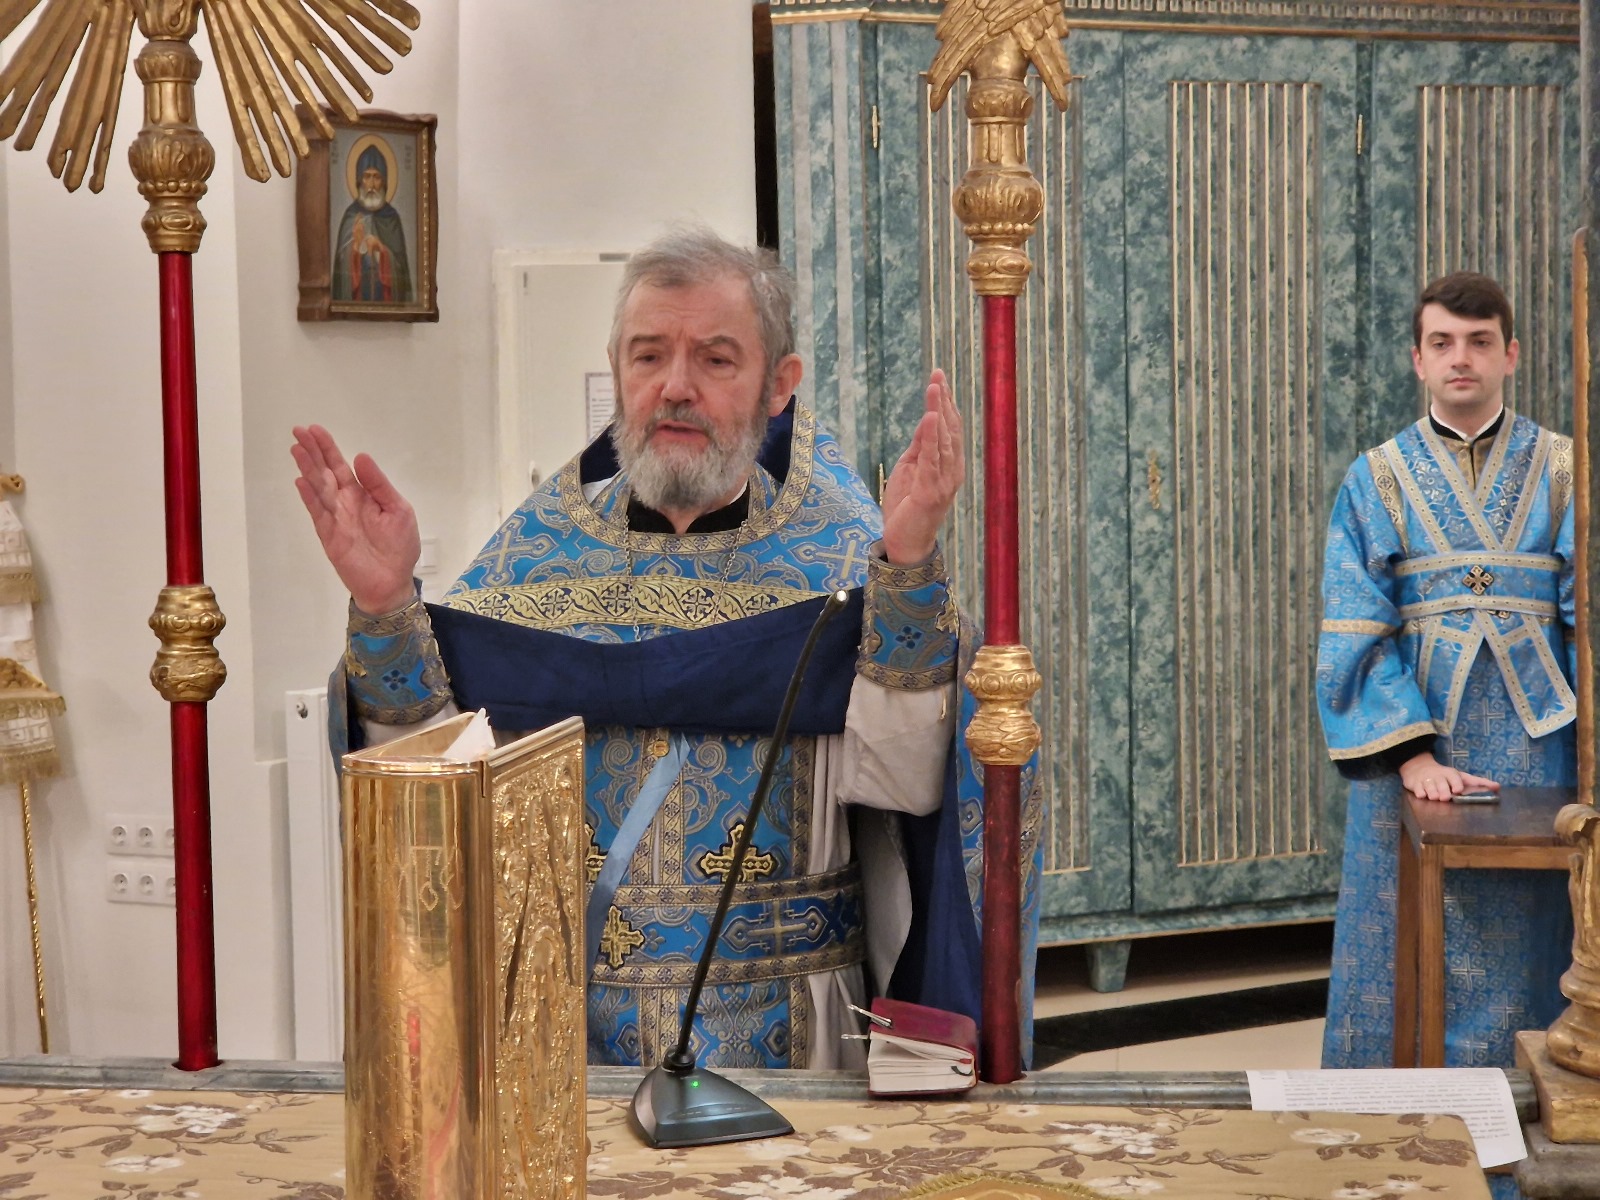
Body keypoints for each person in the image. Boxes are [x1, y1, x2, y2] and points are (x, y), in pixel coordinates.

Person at [293, 227, 1036, 1071]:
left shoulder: (842, 563)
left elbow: (909, 785)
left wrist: (907, 566)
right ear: (618, 372)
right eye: (648, 356)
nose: (675, 387)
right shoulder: (532, 562)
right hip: (569, 1036)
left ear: (779, 385)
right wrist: (386, 604)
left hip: (793, 1031)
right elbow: (431, 794)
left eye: (716, 360)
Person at [1316, 272, 1576, 1093]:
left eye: (1479, 341)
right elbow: (1355, 619)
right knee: (1403, 929)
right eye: (1442, 343)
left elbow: (1590, 616)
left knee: (1528, 929)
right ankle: (1390, 1118)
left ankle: (1526, 1111)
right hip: (1417, 748)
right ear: (1418, 360)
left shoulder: (1567, 469)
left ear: (1511, 354)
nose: (1461, 357)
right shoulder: (1376, 477)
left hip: (1541, 742)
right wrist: (1414, 756)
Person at [331, 143, 412, 303]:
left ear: (384, 181)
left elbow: (401, 269)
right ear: (359, 180)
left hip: (386, 300)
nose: (372, 184)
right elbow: (340, 269)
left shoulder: (392, 218)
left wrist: (381, 249)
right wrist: (355, 249)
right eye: (367, 176)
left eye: (377, 177)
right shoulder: (351, 215)